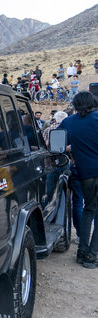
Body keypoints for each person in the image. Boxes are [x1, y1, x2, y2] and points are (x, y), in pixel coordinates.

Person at [57, 92, 98, 269]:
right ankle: (92, 255)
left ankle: (82, 251)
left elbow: (56, 144)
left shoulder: (68, 122)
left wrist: (72, 153)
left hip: (85, 173)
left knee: (88, 210)